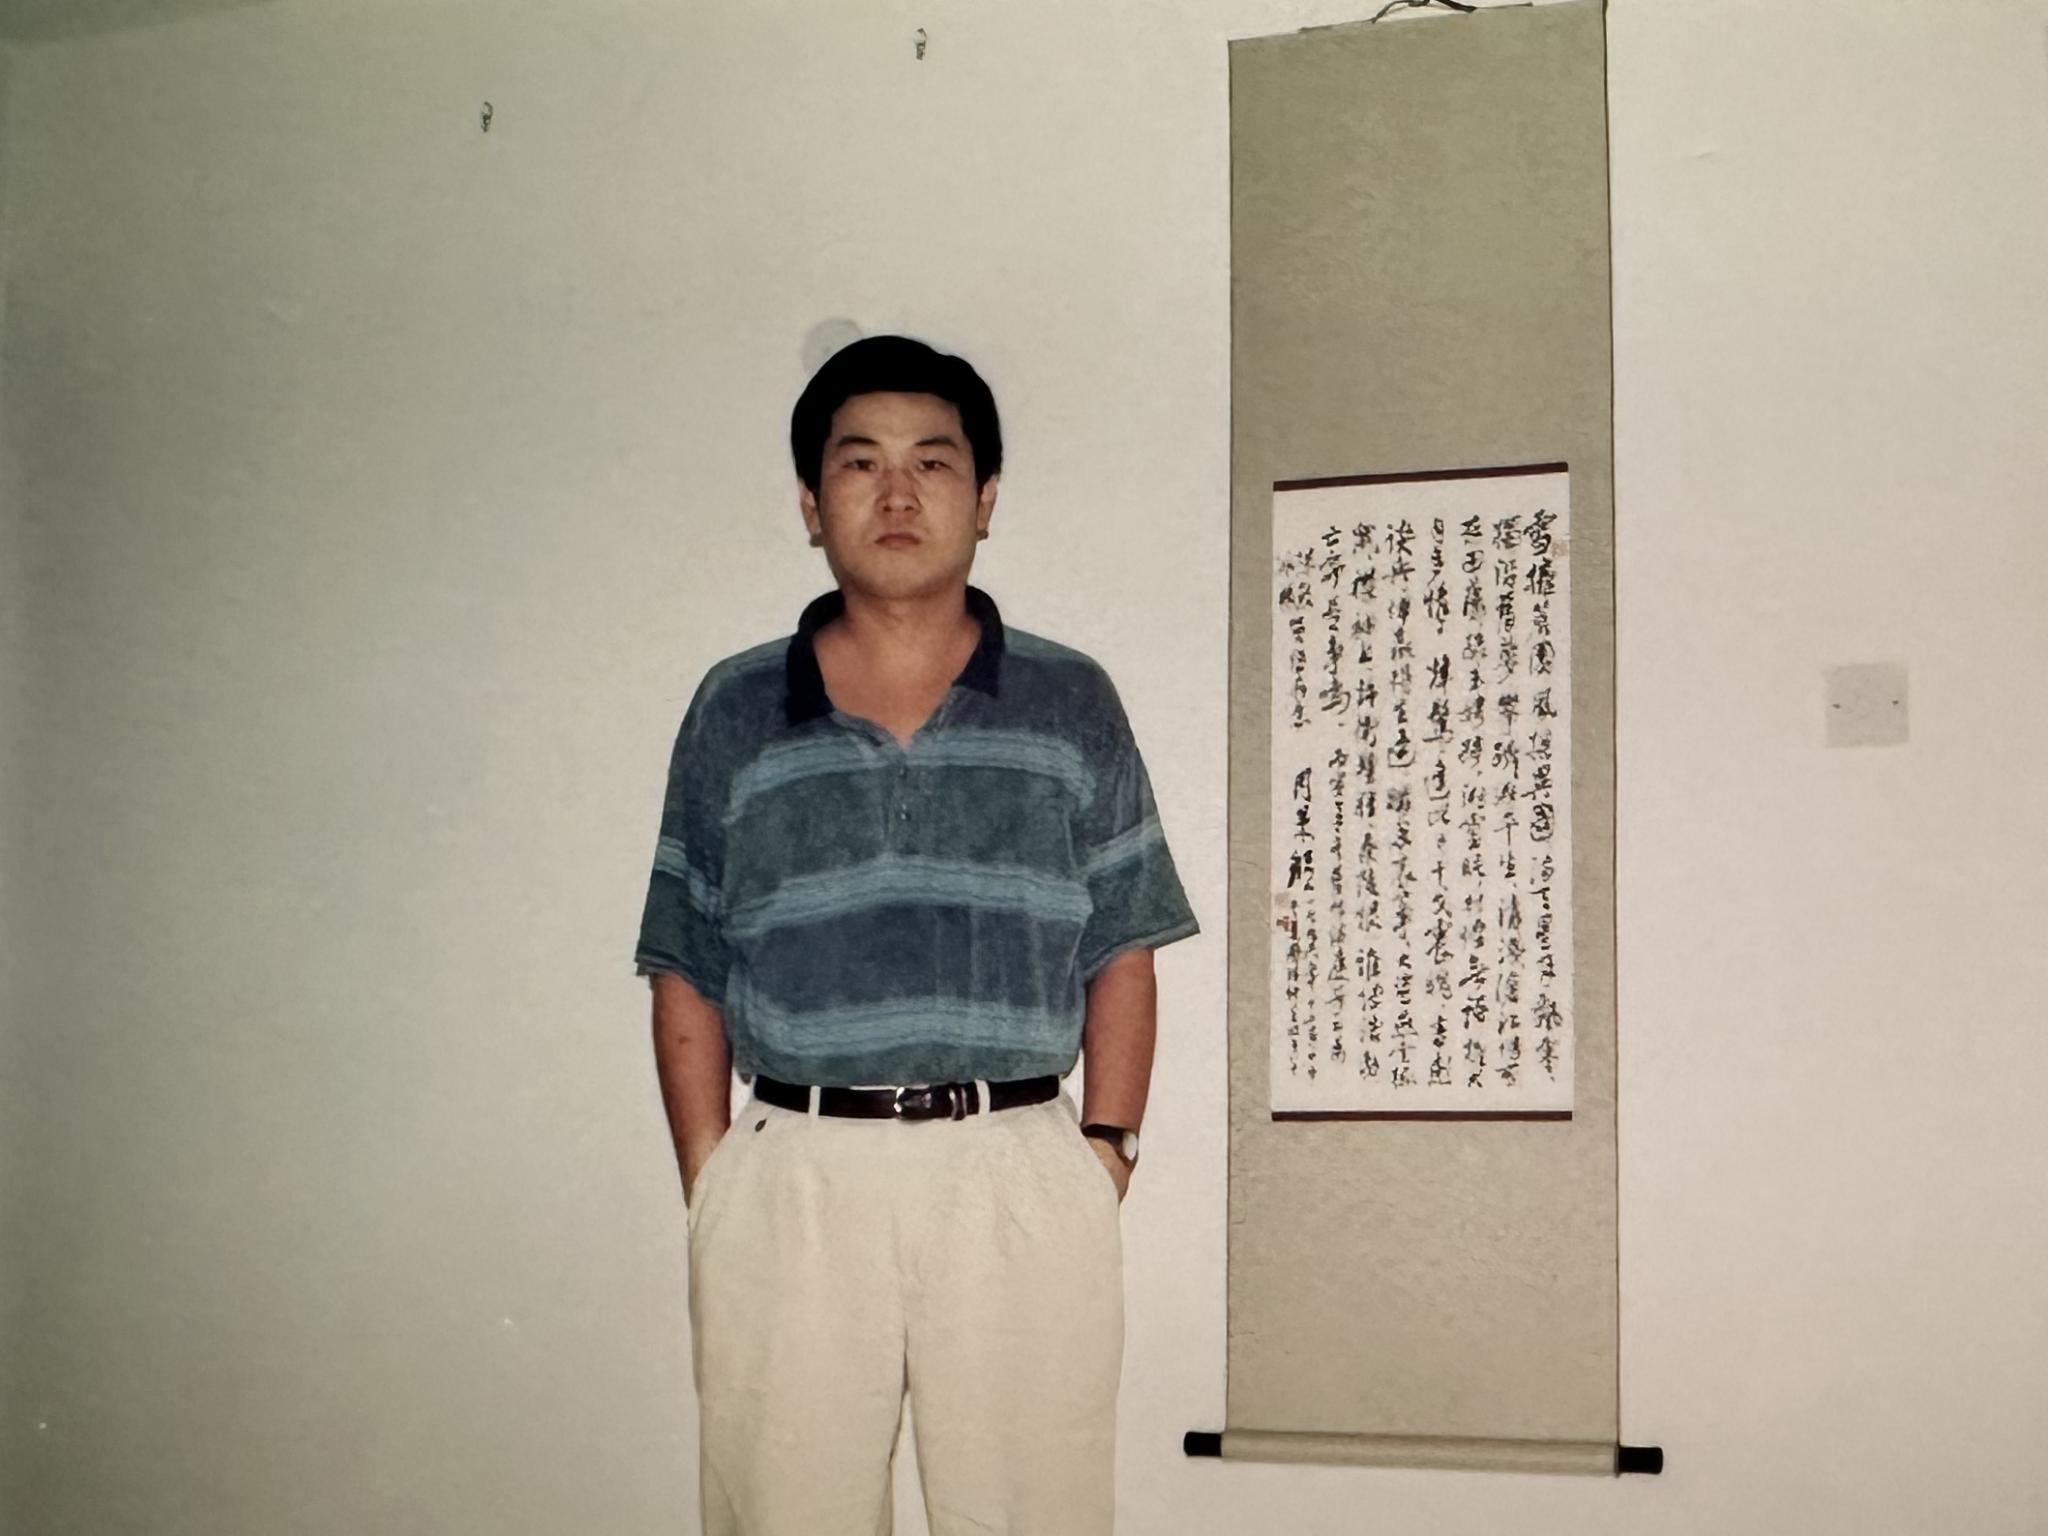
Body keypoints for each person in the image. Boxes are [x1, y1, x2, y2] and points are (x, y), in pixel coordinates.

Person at [632, 333, 1199, 1535]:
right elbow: (683, 957)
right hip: (795, 1171)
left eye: (932, 462)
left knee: (1032, 1517)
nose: (896, 494)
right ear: (810, 502)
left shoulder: (1070, 699)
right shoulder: (734, 706)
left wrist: (1104, 1150)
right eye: (859, 463)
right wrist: (713, 1176)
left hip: (1014, 1166)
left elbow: (1123, 944)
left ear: (983, 499)